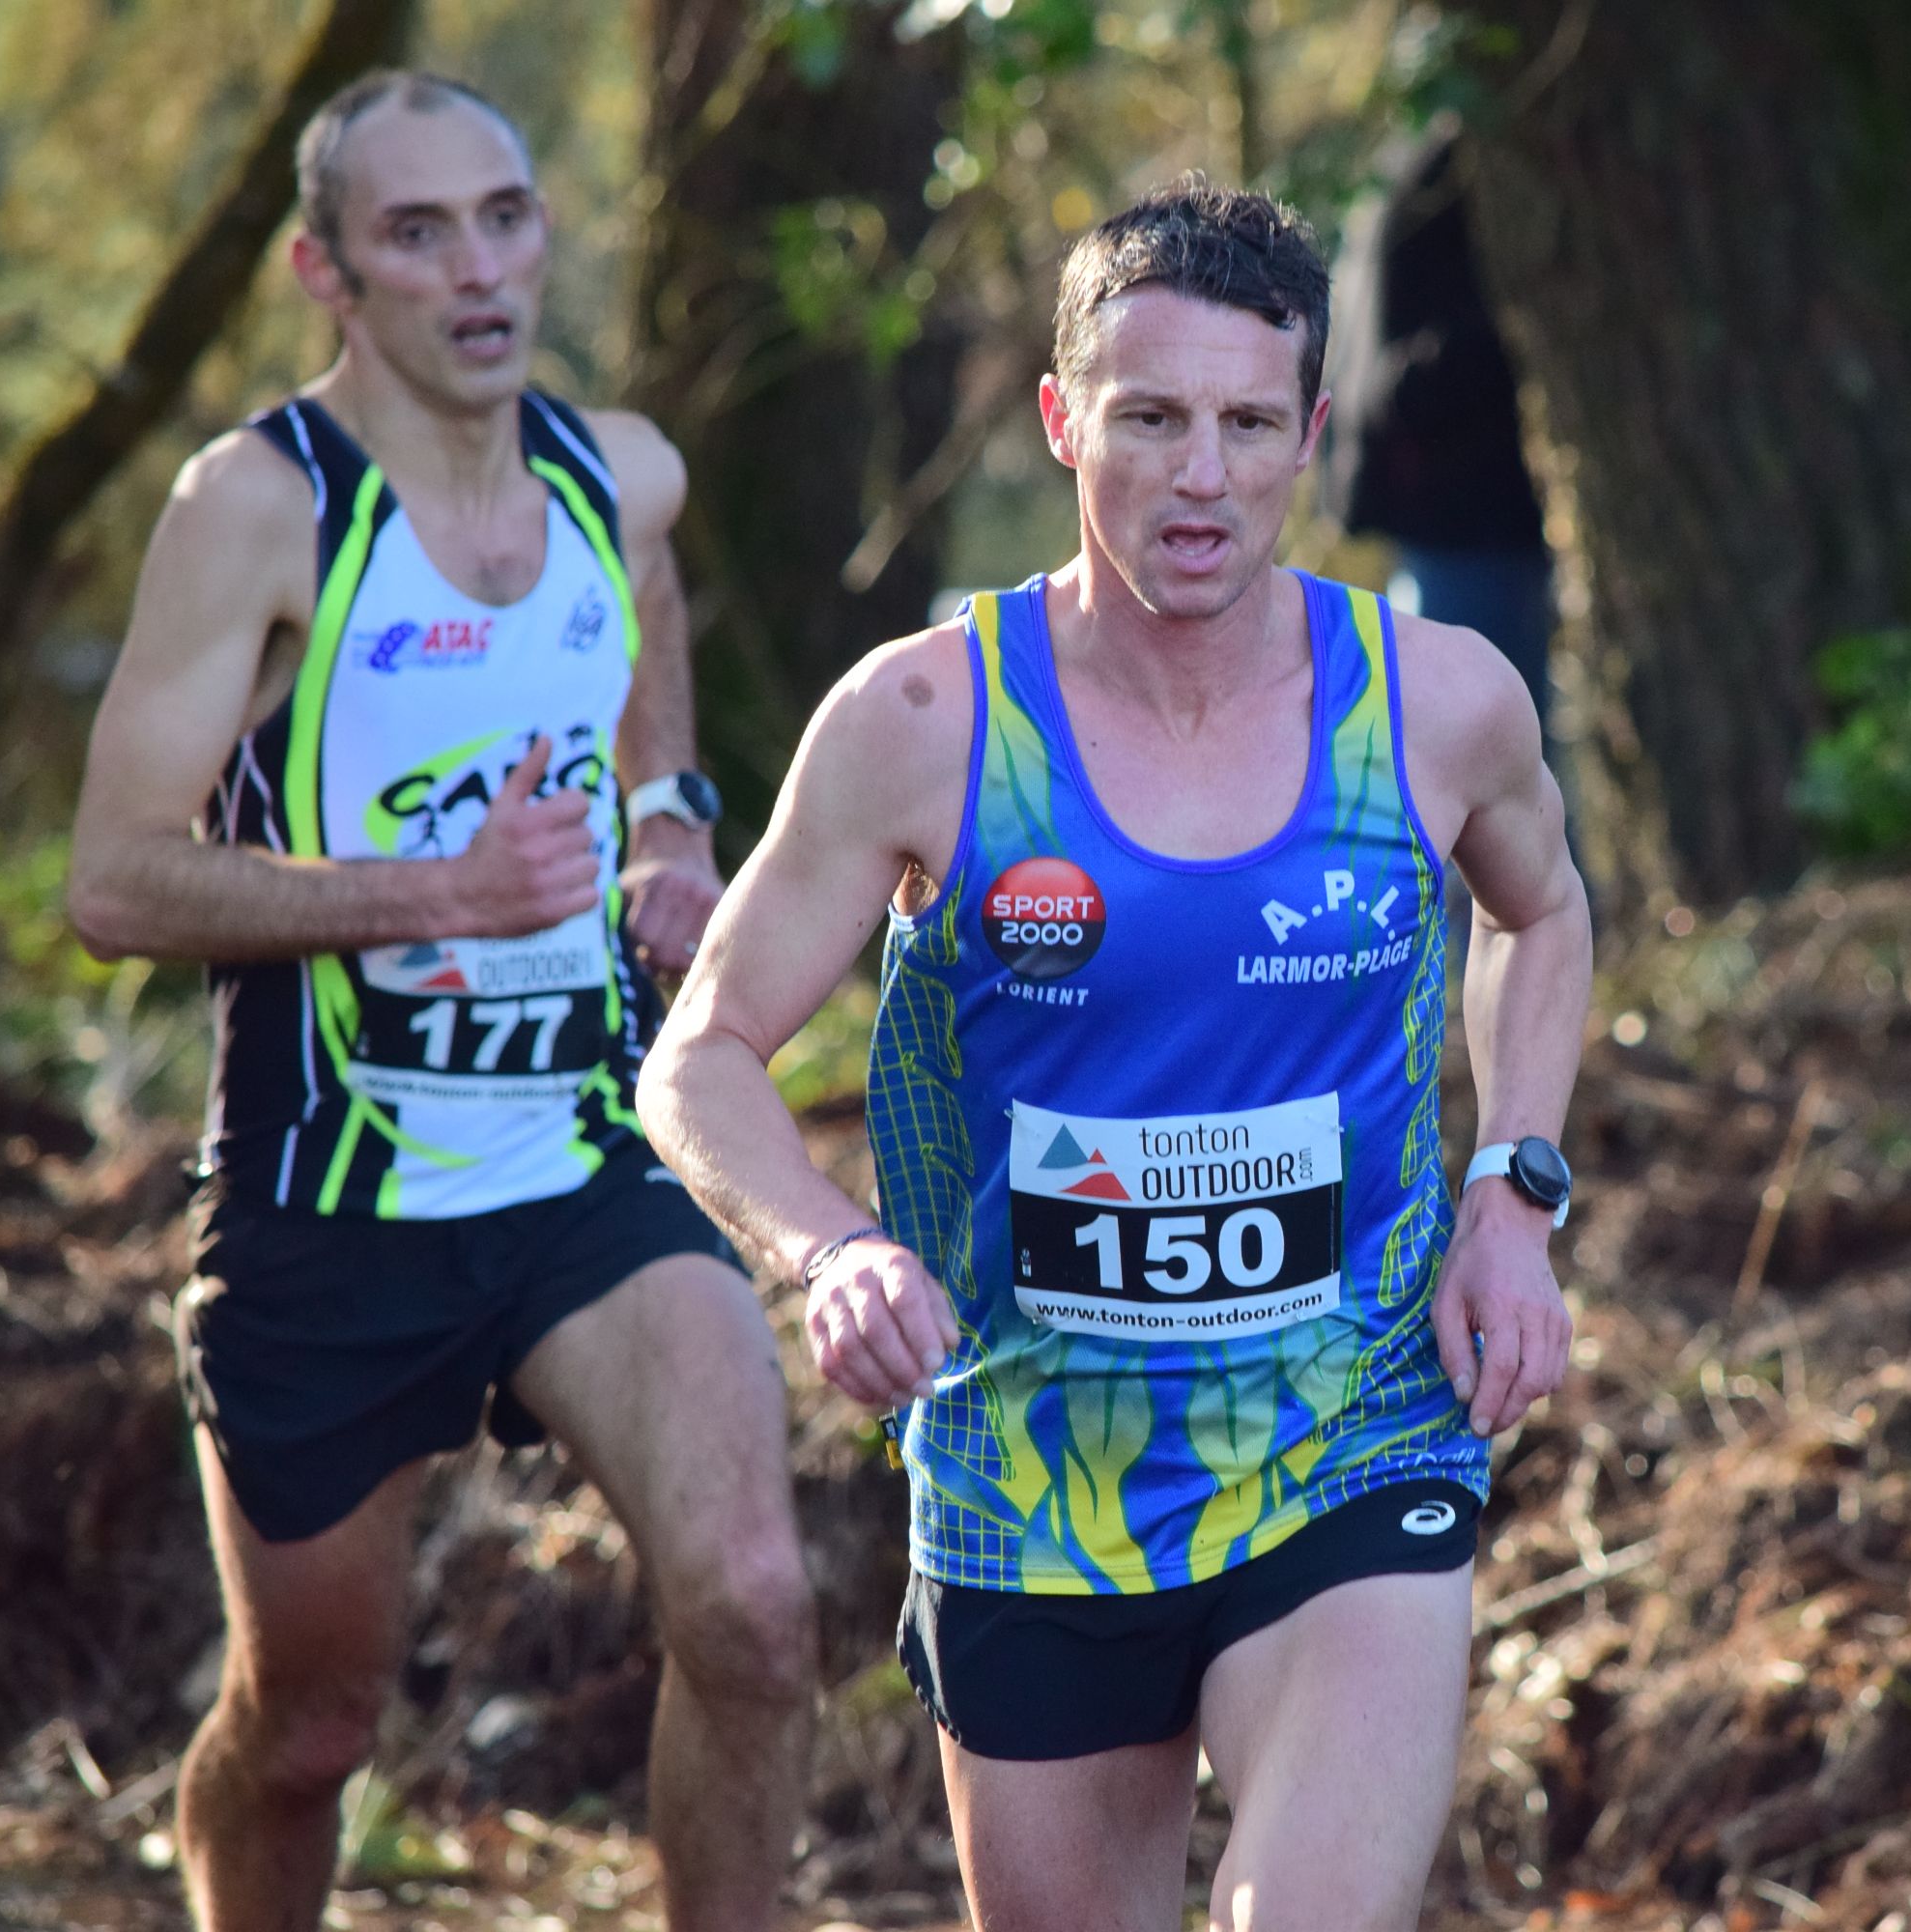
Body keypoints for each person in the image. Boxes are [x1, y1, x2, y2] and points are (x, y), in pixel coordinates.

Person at [642, 179, 1593, 1932]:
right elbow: (698, 1056)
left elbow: (1539, 915)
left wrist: (1512, 1190)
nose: (1201, 477)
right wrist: (828, 1252)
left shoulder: (1438, 702)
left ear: (1313, 433)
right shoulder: (924, 721)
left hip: (1351, 1440)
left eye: (1248, 425)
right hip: (1032, 1477)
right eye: (1151, 420)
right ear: (1062, 420)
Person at [65, 71, 812, 1932]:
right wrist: (433, 895)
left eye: (503, 217)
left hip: (585, 1158)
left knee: (753, 1610)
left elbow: (643, 596)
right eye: (417, 233)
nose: (477, 268)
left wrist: (666, 816)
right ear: (325, 271)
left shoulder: (617, 470)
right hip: (332, 1198)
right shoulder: (260, 511)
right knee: (309, 1726)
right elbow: (112, 882)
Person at [1323, 127, 1558, 753]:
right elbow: (1409, 367)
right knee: (1473, 753)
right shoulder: (1455, 164)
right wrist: (1523, 336)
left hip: (1449, 515)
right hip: (1467, 522)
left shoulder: (1415, 158)